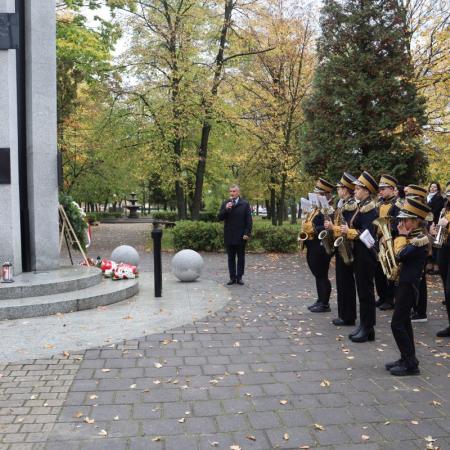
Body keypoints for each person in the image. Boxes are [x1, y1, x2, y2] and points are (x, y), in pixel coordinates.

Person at [385, 198, 431, 376]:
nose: (401, 223)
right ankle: (407, 358)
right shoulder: (413, 237)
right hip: (403, 283)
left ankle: (411, 365)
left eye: (405, 220)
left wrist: (401, 237)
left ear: (415, 221)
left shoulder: (419, 240)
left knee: (396, 324)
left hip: (410, 285)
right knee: (404, 322)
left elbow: (400, 254)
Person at [341, 171, 379, 343]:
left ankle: (368, 327)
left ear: (366, 190)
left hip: (366, 253)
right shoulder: (362, 206)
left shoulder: (370, 208)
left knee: (366, 292)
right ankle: (365, 326)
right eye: (355, 188)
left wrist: (347, 231)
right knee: (362, 292)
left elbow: (367, 232)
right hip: (359, 252)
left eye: (358, 188)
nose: (355, 190)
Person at [324, 172, 357, 326]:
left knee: (346, 283)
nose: (338, 190)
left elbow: (347, 228)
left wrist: (333, 227)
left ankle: (348, 316)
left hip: (347, 247)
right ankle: (343, 314)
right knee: (341, 283)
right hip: (340, 245)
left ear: (346, 189)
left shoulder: (351, 205)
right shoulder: (342, 204)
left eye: (340, 188)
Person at [302, 178, 335, 313]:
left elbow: (328, 227)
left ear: (325, 194)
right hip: (312, 244)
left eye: (319, 193)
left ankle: (325, 303)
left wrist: (314, 229)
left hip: (321, 246)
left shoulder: (329, 210)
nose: (315, 195)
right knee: (317, 274)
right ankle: (320, 299)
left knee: (322, 275)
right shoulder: (316, 208)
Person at [218, 185, 252, 285]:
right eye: (230, 191)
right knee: (231, 258)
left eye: (234, 191)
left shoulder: (245, 204)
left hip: (241, 236)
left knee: (241, 257)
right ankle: (232, 277)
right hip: (229, 235)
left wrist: (247, 233)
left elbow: (248, 221)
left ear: (238, 192)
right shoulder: (226, 203)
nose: (232, 193)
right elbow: (219, 217)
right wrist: (226, 209)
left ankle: (239, 277)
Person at [375, 174, 400, 311]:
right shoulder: (379, 203)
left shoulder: (398, 204)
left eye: (383, 189)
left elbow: (398, 223)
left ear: (392, 188)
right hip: (379, 240)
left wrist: (389, 234)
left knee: (390, 270)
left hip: (391, 240)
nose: (381, 191)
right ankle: (382, 296)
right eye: (380, 189)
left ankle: (390, 300)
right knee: (378, 271)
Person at [430, 182, 450, 337]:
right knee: (446, 289)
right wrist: (435, 229)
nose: (448, 197)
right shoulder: (445, 209)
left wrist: (448, 224)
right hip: (444, 247)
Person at [427, 181, 445, 274]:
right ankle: (430, 265)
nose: (432, 188)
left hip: (435, 222)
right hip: (428, 222)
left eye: (435, 187)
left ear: (438, 189)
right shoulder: (428, 197)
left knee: (435, 245)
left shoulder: (439, 198)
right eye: (431, 187)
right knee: (429, 244)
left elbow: (436, 211)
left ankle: (436, 266)